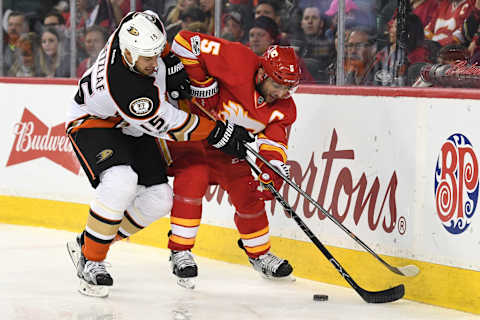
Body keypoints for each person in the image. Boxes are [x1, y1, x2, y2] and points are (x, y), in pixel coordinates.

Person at [65, 10, 253, 297]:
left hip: (131, 127)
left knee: (160, 199)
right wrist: (219, 133)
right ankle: (91, 259)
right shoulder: (127, 89)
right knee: (121, 181)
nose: (154, 64)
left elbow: (147, 18)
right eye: (148, 58)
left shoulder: (136, 29)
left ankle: (89, 241)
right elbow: (174, 124)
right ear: (128, 55)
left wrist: (171, 59)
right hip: (94, 123)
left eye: (156, 55)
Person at [166, 31, 300, 287]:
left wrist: (272, 170)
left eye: (288, 88)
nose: (281, 93)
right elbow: (185, 40)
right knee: (193, 179)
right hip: (192, 134)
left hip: (227, 149)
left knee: (247, 192)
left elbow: (272, 144)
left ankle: (259, 254)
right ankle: (180, 250)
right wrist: (199, 83)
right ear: (262, 74)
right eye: (278, 84)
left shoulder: (284, 108)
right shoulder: (237, 58)